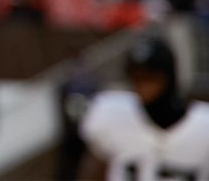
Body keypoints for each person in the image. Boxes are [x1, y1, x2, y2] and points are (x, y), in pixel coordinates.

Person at [79, 36, 209, 179]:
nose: (142, 85)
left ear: (167, 77)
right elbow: (94, 170)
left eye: (149, 77)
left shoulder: (204, 126)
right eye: (136, 77)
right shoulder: (110, 112)